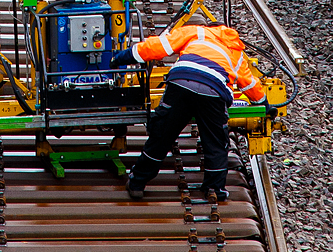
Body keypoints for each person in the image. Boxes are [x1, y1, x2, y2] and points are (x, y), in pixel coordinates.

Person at [111, 22, 274, 202]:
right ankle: (214, 189)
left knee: (162, 136)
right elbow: (249, 84)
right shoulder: (235, 51)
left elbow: (157, 46)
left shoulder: (196, 32)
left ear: (210, 27)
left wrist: (122, 57)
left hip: (181, 81)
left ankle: (137, 183)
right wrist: (264, 104)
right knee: (216, 142)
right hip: (214, 90)